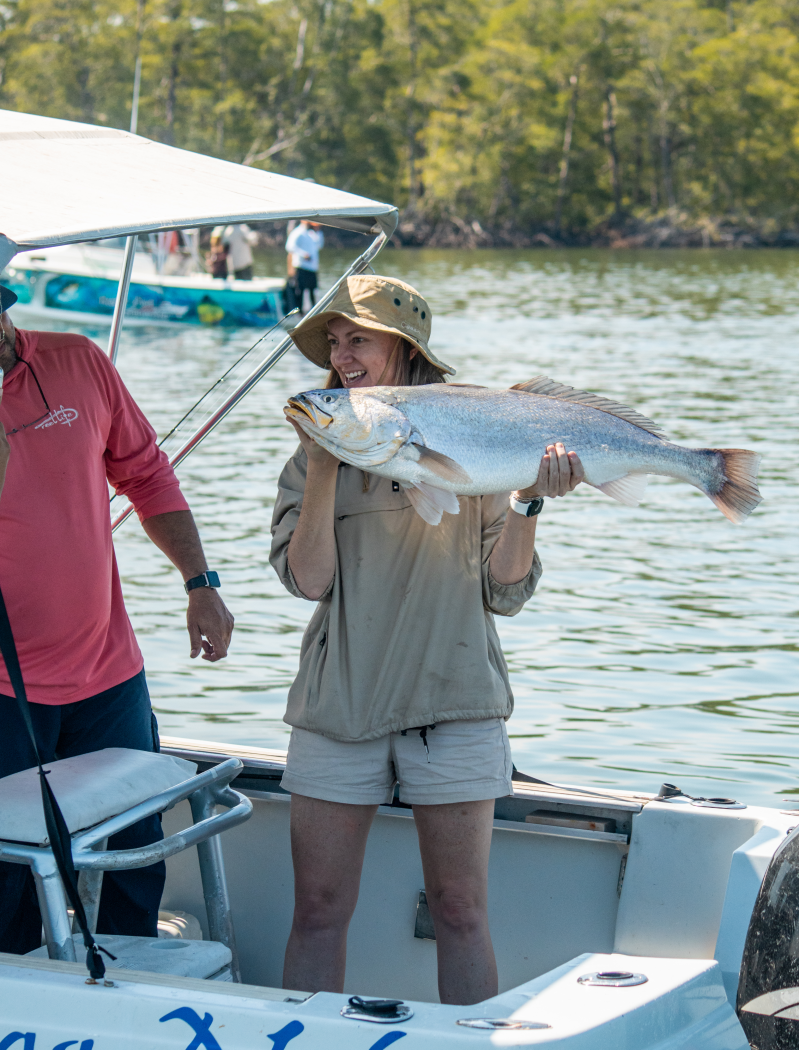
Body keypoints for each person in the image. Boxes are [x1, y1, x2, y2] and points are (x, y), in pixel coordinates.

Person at [269, 275, 584, 1005]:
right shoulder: (313, 452)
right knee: (316, 912)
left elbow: (504, 590)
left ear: (403, 349)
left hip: (456, 705)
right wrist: (321, 468)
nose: (342, 357)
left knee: (460, 912)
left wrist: (529, 501)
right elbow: (307, 581)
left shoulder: (477, 437)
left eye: (360, 340)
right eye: (334, 343)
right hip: (337, 712)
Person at [0, 283, 235, 955]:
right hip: (4, 689)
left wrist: (200, 583)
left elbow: (147, 475)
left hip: (108, 673)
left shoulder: (79, 362)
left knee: (135, 853)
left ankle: (129, 997)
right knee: (9, 880)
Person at [284, 220, 324, 313]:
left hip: (312, 268)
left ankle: (314, 312)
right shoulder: (297, 232)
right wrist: (303, 254)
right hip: (301, 267)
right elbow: (290, 246)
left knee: (313, 291)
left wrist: (318, 230)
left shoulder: (311, 233)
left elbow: (319, 245)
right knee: (300, 291)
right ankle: (299, 312)